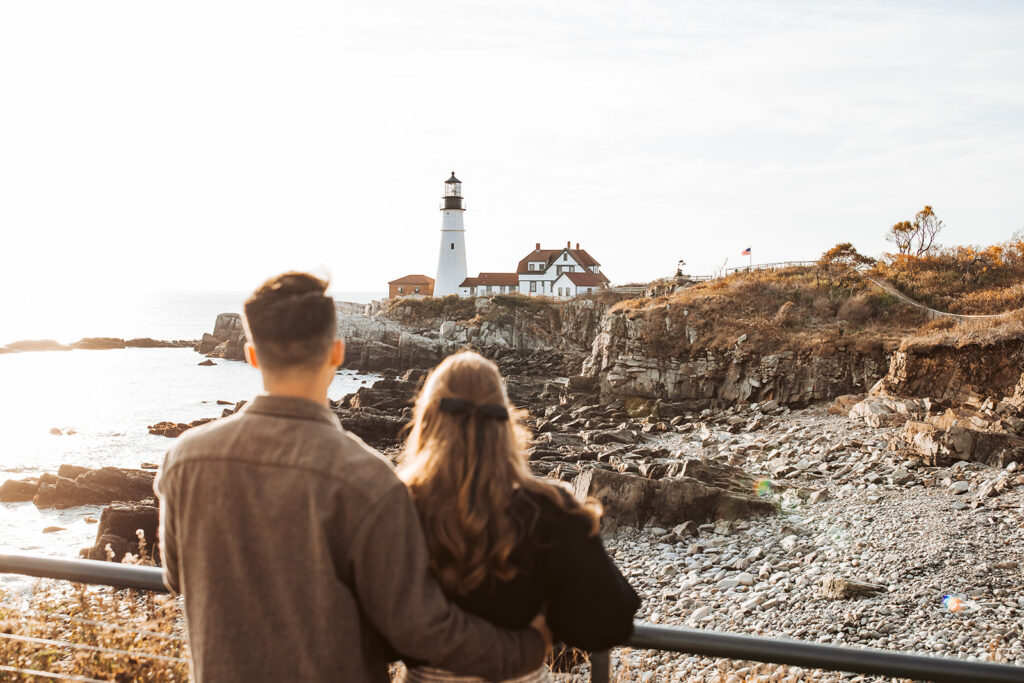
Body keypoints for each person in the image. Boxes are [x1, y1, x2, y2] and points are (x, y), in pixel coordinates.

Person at [155, 272, 549, 683]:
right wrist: (525, 646)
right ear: (337, 352)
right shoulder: (369, 479)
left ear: (251, 354)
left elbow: (176, 577)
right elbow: (416, 627)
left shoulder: (184, 460)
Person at [398, 351, 640, 683]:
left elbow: (376, 626)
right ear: (505, 425)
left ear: (427, 420)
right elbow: (612, 621)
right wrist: (542, 627)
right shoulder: (550, 510)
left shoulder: (400, 506)